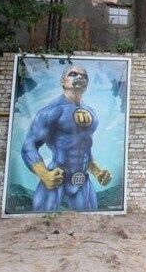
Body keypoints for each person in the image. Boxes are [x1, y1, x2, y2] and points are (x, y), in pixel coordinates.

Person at [22, 65, 112, 212]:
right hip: (56, 177)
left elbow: (84, 148)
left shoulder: (92, 114)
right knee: (43, 221)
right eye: (73, 74)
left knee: (90, 223)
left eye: (84, 76)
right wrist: (44, 174)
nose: (80, 78)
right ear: (63, 81)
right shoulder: (51, 111)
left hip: (82, 180)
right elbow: (28, 146)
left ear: (87, 84)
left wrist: (97, 171)